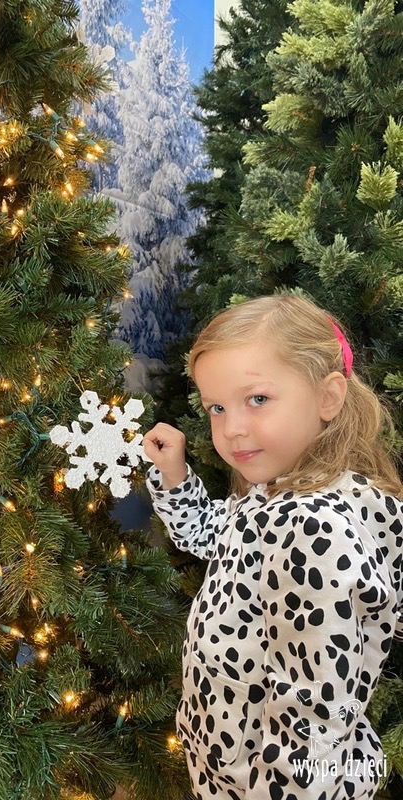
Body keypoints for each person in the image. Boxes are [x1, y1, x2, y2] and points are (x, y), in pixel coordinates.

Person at [142, 294, 403, 800]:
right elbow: (209, 534)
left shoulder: (310, 528)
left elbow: (316, 708)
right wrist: (174, 476)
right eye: (217, 408)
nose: (232, 428)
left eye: (257, 399)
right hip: (236, 758)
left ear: (328, 398)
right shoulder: (276, 495)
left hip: (266, 783)